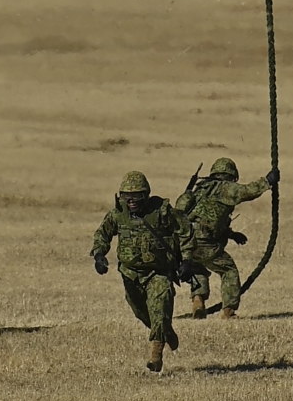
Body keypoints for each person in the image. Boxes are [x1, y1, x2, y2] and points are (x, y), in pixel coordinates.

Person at [91, 170, 188, 372]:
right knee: (141, 311)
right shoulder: (118, 214)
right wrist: (99, 255)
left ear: (146, 195)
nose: (131, 201)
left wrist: (186, 260)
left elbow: (185, 230)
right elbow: (103, 234)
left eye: (136, 196)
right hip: (130, 274)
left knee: (159, 308)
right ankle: (165, 331)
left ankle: (156, 355)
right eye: (126, 196)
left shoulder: (161, 212)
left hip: (158, 272)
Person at [174, 157, 274, 318]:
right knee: (228, 270)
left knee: (198, 268)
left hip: (185, 241)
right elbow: (247, 191)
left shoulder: (202, 189)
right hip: (205, 242)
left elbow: (206, 217)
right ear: (232, 176)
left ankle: (198, 301)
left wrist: (232, 234)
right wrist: (267, 181)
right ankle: (229, 311)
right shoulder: (226, 188)